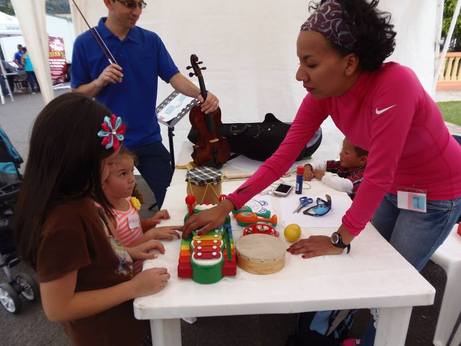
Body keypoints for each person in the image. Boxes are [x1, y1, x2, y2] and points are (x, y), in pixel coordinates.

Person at [183, 0, 461, 342]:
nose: (300, 74)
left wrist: (339, 238)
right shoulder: (324, 93)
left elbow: (377, 173)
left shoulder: (396, 84)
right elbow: (283, 156)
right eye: (300, 62)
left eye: (310, 63)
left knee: (390, 285)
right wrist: (227, 205)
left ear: (350, 62)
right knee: (365, 267)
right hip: (394, 188)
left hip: (436, 195)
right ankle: (341, 329)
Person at [14, 93, 170, 346]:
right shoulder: (64, 223)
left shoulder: (84, 199)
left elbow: (96, 254)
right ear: (76, 161)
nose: (110, 171)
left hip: (122, 320)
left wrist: (129, 252)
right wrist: (133, 288)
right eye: (108, 163)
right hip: (106, 335)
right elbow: (58, 307)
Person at [71, 0, 220, 208]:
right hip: (110, 143)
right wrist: (99, 81)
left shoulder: (150, 40)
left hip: (147, 137)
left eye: (141, 5)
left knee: (173, 197)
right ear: (109, 3)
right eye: (130, 4)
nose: (137, 12)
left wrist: (202, 94)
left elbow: (174, 76)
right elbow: (77, 94)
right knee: (113, 208)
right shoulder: (85, 43)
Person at [102, 146, 181, 272]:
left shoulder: (126, 199)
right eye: (123, 174)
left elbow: (133, 228)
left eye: (132, 171)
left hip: (146, 260)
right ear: (102, 181)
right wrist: (151, 235)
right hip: (132, 273)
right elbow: (121, 253)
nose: (132, 179)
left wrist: (150, 222)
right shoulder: (108, 216)